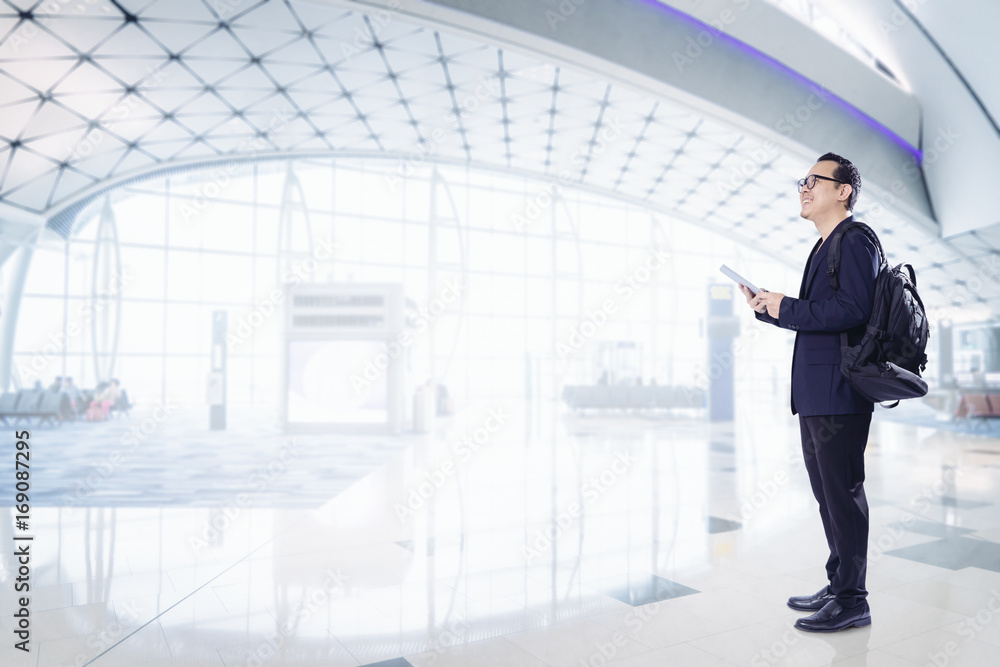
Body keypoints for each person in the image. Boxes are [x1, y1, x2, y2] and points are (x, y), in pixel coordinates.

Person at [739, 152, 878, 633]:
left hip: (841, 390)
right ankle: (840, 579)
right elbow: (821, 318)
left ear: (843, 191)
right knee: (827, 495)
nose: (803, 187)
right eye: (802, 180)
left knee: (842, 493)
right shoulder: (823, 247)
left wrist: (789, 306)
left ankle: (852, 598)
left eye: (813, 180)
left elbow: (853, 310)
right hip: (819, 391)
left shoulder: (855, 240)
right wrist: (770, 308)